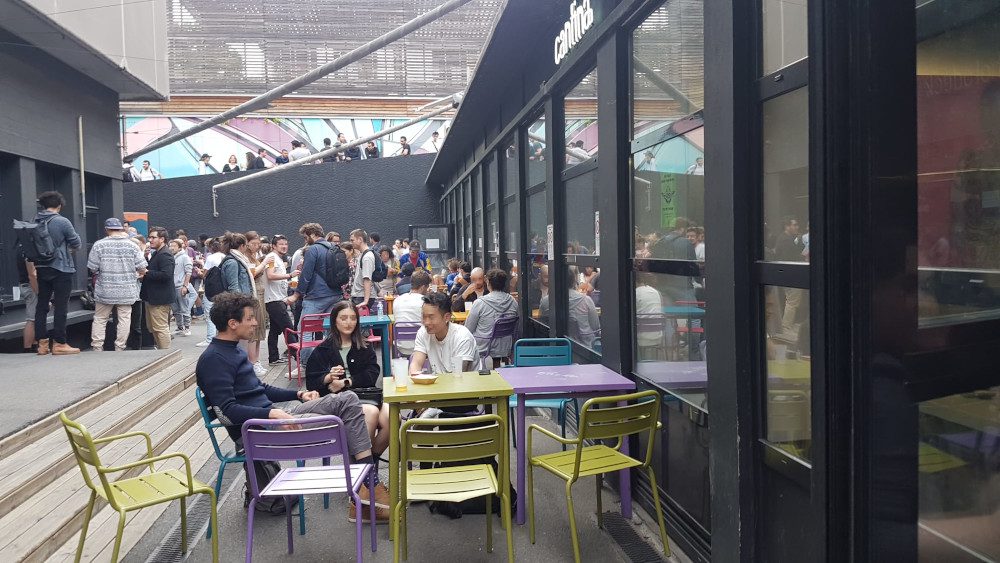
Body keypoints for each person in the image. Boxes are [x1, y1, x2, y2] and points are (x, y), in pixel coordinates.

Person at [195, 292, 388, 522]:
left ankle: (366, 482)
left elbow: (261, 388)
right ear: (232, 323)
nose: (256, 322)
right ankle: (366, 488)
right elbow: (226, 412)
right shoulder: (214, 359)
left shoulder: (234, 349)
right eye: (250, 318)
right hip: (259, 431)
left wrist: (297, 394)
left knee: (348, 400)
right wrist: (271, 413)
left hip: (272, 418)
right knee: (339, 423)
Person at [305, 301, 391, 477]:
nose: (348, 322)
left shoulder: (364, 346)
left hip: (365, 395)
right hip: (339, 403)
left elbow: (372, 373)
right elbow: (311, 383)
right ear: (334, 321)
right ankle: (363, 473)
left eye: (353, 318)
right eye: (343, 318)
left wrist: (346, 382)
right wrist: (328, 378)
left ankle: (366, 464)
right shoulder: (323, 350)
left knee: (391, 414)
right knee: (370, 413)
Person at [31, 191, 82, 355]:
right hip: (61, 268)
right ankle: (59, 343)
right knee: (61, 306)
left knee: (41, 305)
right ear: (59, 205)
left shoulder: (34, 221)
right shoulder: (62, 221)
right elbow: (77, 243)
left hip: (41, 267)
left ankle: (42, 344)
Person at [295, 223, 342, 368]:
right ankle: (330, 363)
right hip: (335, 294)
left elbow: (306, 275)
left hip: (317, 296)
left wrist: (297, 293)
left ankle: (308, 364)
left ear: (312, 234)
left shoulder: (313, 249)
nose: (305, 240)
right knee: (330, 330)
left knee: (304, 329)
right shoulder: (334, 248)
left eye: (305, 237)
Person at [408, 291, 478, 377]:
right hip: (437, 386)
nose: (426, 322)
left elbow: (458, 375)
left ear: (447, 317)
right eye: (423, 316)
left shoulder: (462, 336)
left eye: (431, 317)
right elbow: (416, 363)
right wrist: (413, 375)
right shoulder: (423, 332)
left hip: (465, 386)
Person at [465, 268, 518, 368]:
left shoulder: (480, 303)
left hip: (484, 345)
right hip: (505, 346)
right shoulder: (513, 302)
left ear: (488, 282)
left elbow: (468, 329)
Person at [264, 235, 299, 365]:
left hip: (278, 298)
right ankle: (298, 356)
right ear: (273, 246)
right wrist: (290, 275)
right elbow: (270, 275)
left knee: (274, 330)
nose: (284, 246)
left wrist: (287, 282)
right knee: (288, 328)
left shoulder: (278, 258)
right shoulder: (271, 257)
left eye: (286, 244)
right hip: (274, 300)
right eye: (281, 244)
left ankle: (273, 358)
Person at [140, 226, 175, 350]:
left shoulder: (165, 254)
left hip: (159, 299)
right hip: (153, 298)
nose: (150, 240)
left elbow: (167, 275)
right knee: (154, 328)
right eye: (149, 237)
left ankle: (166, 354)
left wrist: (146, 272)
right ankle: (163, 352)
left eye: (153, 237)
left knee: (160, 328)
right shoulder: (157, 253)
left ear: (162, 239)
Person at [393, 269, 430, 356]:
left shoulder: (397, 300)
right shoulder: (425, 302)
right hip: (422, 347)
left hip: (400, 346)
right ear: (422, 287)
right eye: (427, 287)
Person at [197, 238, 226, 347]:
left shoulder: (211, 257)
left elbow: (204, 274)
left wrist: (200, 268)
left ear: (210, 248)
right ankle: (221, 337)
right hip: (223, 288)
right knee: (222, 313)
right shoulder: (225, 257)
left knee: (209, 313)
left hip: (212, 289)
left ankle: (210, 338)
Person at [169, 239, 195, 337]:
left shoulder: (184, 257)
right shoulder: (171, 257)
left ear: (180, 247)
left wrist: (185, 286)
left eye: (174, 246)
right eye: (170, 245)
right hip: (172, 287)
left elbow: (188, 272)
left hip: (180, 286)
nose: (172, 247)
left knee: (184, 308)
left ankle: (187, 327)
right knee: (175, 309)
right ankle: (180, 327)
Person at [16, 249, 38, 353]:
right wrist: (38, 291)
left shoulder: (20, 249)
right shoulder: (28, 251)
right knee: (32, 318)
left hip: (25, 284)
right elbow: (32, 274)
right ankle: (28, 347)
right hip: (30, 286)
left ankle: (34, 344)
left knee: (34, 317)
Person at [349, 229, 376, 310]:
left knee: (358, 321)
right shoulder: (363, 254)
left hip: (362, 296)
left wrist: (365, 301)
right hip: (359, 295)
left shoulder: (367, 257)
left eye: (352, 240)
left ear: (360, 239)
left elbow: (367, 279)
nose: (351, 243)